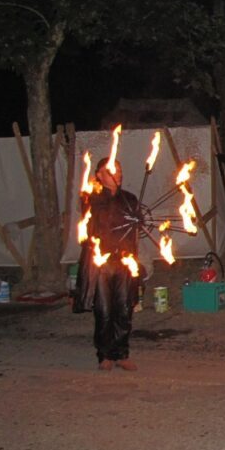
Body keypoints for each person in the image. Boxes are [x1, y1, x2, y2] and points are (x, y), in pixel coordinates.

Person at [82, 158, 142, 371]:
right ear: (99, 175)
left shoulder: (130, 199)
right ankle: (105, 354)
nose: (118, 174)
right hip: (101, 262)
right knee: (104, 309)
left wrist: (139, 220)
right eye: (111, 171)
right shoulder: (92, 198)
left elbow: (136, 229)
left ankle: (122, 353)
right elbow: (91, 225)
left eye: (120, 170)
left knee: (124, 307)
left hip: (125, 261)